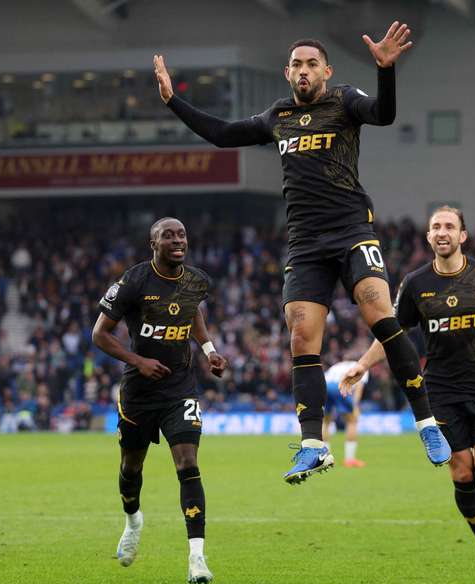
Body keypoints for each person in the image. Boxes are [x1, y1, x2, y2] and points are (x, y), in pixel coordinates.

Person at [153, 21, 451, 484]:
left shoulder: (345, 101)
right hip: (306, 243)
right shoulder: (277, 117)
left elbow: (384, 114)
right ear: (287, 73)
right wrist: (173, 101)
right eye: (297, 65)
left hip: (352, 230)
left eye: (312, 63)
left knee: (378, 311)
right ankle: (314, 444)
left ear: (326, 71)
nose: (304, 70)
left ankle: (427, 423)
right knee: (300, 337)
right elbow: (222, 133)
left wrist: (386, 72)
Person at [340, 206, 475, 570]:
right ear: (428, 236)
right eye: (436, 226)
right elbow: (393, 331)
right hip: (440, 393)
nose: (442, 232)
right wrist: (361, 363)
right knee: (462, 472)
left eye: (449, 226)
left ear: (462, 236)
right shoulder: (416, 284)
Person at [92, 217, 228, 584]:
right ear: (153, 243)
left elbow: (193, 311)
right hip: (139, 392)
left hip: (180, 388)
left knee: (187, 464)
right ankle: (133, 520)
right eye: (168, 236)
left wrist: (210, 350)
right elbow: (99, 334)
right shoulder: (133, 282)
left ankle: (197, 558)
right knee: (131, 470)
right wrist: (138, 361)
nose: (177, 240)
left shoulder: (196, 280)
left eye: (181, 234)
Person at [322, 360, 368, 468]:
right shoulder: (362, 366)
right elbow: (359, 386)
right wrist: (355, 405)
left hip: (324, 385)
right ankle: (350, 460)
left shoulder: (337, 365)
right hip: (340, 385)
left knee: (325, 422)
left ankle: (324, 459)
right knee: (352, 421)